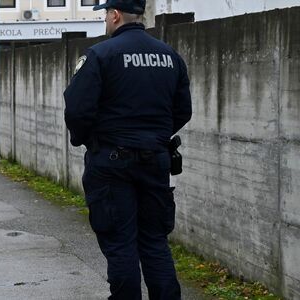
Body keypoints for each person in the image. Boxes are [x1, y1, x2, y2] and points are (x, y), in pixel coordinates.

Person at [63, 0, 192, 299]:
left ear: (116, 15)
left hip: (111, 163)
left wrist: (89, 140)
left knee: (121, 243)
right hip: (156, 161)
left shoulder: (100, 55)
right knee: (154, 241)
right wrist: (153, 137)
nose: (106, 20)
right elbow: (182, 110)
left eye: (106, 14)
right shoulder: (170, 56)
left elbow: (77, 111)